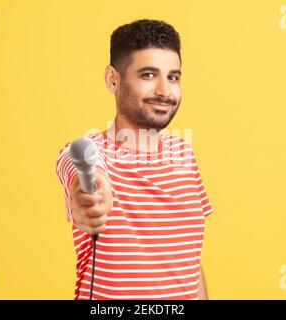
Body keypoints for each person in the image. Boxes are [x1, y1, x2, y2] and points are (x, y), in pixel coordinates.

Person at [56, 19, 214, 300]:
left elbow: (188, 262)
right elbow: (83, 169)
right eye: (149, 75)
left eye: (173, 77)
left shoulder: (185, 155)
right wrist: (90, 193)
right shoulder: (87, 152)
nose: (165, 91)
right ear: (113, 80)